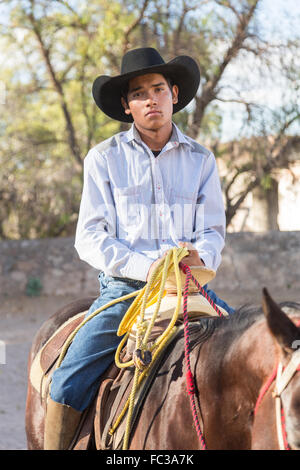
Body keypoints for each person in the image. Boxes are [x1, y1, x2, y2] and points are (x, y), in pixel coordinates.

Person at [44, 47, 235, 450]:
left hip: (187, 287)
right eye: (139, 93)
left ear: (174, 95)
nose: (151, 98)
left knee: (255, 350)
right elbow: (90, 236)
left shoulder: (201, 159)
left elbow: (213, 230)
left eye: (159, 89)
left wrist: (204, 255)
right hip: (126, 289)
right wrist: (145, 267)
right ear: (127, 106)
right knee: (68, 378)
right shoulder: (104, 159)